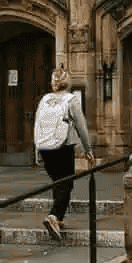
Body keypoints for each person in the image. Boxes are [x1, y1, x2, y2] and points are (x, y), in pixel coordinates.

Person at [33, 66, 94, 241]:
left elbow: (37, 124)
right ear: (67, 82)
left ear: (53, 82)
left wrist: (37, 149)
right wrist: (88, 149)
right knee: (66, 183)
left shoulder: (44, 100)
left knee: (57, 181)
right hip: (63, 146)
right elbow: (81, 126)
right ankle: (54, 216)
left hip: (45, 147)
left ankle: (58, 219)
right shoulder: (71, 99)